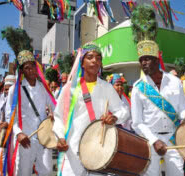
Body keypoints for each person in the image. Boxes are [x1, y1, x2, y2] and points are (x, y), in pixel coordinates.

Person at [52, 42, 129, 175]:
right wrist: (60, 137)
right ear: (82, 63)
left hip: (99, 148)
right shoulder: (69, 88)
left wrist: (115, 117)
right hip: (73, 148)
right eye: (90, 57)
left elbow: (123, 110)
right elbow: (59, 117)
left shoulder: (107, 87)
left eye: (98, 58)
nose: (95, 60)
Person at [131, 37, 185, 176]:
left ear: (157, 60)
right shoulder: (137, 88)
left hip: (173, 138)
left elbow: (182, 108)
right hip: (150, 141)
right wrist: (154, 141)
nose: (143, 63)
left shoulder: (175, 82)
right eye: (141, 60)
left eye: (147, 59)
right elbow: (137, 123)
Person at [5, 50, 56, 176]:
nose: (31, 70)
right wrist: (18, 133)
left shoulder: (44, 87)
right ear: (22, 71)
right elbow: (9, 115)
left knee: (47, 171)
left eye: (33, 66)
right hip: (25, 139)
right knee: (24, 172)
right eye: (27, 68)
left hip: (43, 137)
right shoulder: (15, 90)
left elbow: (55, 106)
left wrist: (53, 115)